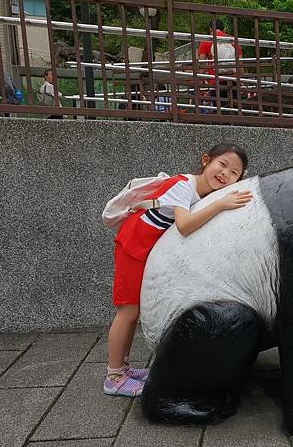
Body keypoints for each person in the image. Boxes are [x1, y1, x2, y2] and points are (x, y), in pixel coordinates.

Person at [104, 143, 252, 397]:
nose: (225, 174)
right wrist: (221, 205)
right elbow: (184, 226)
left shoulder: (203, 194)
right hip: (134, 246)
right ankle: (114, 376)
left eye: (234, 173)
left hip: (146, 250)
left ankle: (124, 370)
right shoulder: (184, 185)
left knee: (133, 311)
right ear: (206, 160)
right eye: (222, 164)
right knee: (128, 311)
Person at [197, 19, 243, 108]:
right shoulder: (233, 41)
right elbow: (240, 65)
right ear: (223, 28)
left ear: (210, 29)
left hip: (216, 81)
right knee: (235, 107)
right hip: (233, 80)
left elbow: (201, 64)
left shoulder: (206, 41)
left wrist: (200, 81)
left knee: (219, 109)